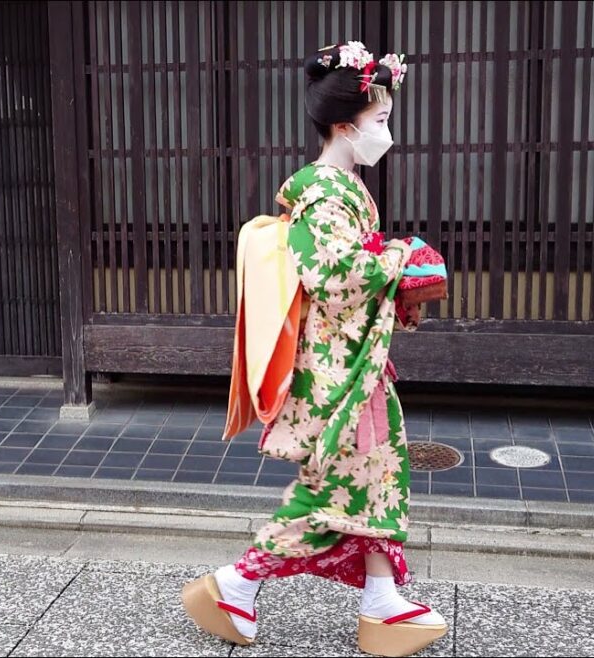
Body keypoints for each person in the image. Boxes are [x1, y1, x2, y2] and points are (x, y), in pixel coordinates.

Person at [182, 42, 448, 658]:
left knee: (377, 472)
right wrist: (401, 255)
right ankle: (236, 584)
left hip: (356, 364)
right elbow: (335, 277)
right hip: (337, 370)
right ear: (345, 126)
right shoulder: (325, 194)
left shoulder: (341, 186)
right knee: (332, 492)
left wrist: (392, 268)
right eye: (380, 120)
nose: (387, 132)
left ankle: (381, 601)